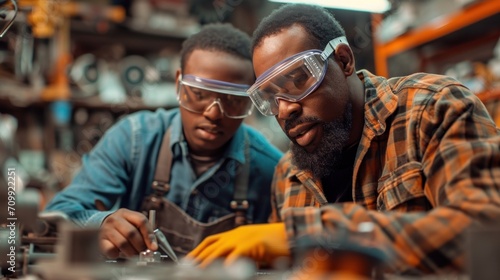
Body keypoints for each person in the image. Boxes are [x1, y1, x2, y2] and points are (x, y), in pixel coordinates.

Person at [188, 4, 500, 275]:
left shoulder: (432, 109)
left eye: (298, 79)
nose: (285, 110)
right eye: (270, 97)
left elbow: (486, 234)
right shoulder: (288, 175)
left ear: (344, 60)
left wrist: (307, 235)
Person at [43, 23, 283, 259]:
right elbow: (59, 212)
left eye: (232, 100)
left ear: (251, 98)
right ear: (179, 84)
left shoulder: (270, 168)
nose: (213, 113)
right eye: (199, 94)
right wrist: (101, 223)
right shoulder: (134, 139)